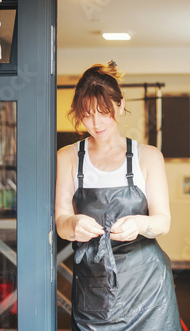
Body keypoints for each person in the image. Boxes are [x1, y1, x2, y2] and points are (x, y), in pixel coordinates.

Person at [55, 61, 181, 330]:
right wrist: (73, 224)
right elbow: (61, 222)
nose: (96, 123)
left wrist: (139, 223)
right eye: (87, 114)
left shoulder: (148, 156)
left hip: (147, 286)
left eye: (103, 112)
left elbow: (163, 222)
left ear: (120, 106)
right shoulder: (67, 158)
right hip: (94, 289)